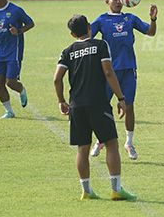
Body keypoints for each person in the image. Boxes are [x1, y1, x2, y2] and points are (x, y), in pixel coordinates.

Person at [53, 14, 137, 201]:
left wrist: (61, 100)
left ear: (72, 34)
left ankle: (86, 191)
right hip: (98, 103)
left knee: (82, 148)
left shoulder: (67, 51)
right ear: (89, 27)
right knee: (111, 144)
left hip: (76, 105)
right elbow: (108, 71)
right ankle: (116, 190)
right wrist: (121, 97)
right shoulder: (100, 45)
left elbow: (57, 78)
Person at [88, 0, 158, 160]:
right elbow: (87, 37)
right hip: (107, 71)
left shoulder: (130, 18)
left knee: (130, 106)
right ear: (107, 2)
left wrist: (153, 19)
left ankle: (129, 142)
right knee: (103, 107)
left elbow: (150, 32)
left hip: (128, 70)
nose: (118, 1)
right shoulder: (102, 20)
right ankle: (101, 140)